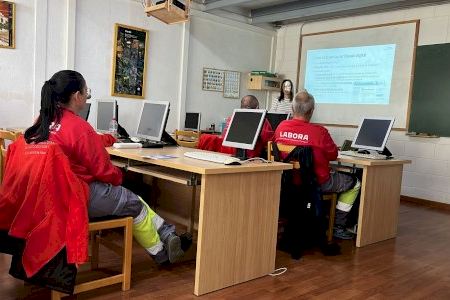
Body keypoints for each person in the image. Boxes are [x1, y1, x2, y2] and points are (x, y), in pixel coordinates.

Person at [22, 70, 190, 265]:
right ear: (77, 96)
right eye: (87, 92)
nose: (87, 97)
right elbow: (104, 171)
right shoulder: (78, 127)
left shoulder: (41, 122)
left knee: (132, 199)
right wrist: (120, 176)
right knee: (134, 201)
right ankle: (163, 253)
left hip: (48, 196)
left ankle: (168, 237)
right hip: (76, 196)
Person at [274, 90, 360, 239]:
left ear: (293, 109)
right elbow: (333, 155)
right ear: (312, 111)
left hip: (288, 181)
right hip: (317, 183)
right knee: (355, 182)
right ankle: (338, 227)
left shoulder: (281, 126)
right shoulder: (319, 132)